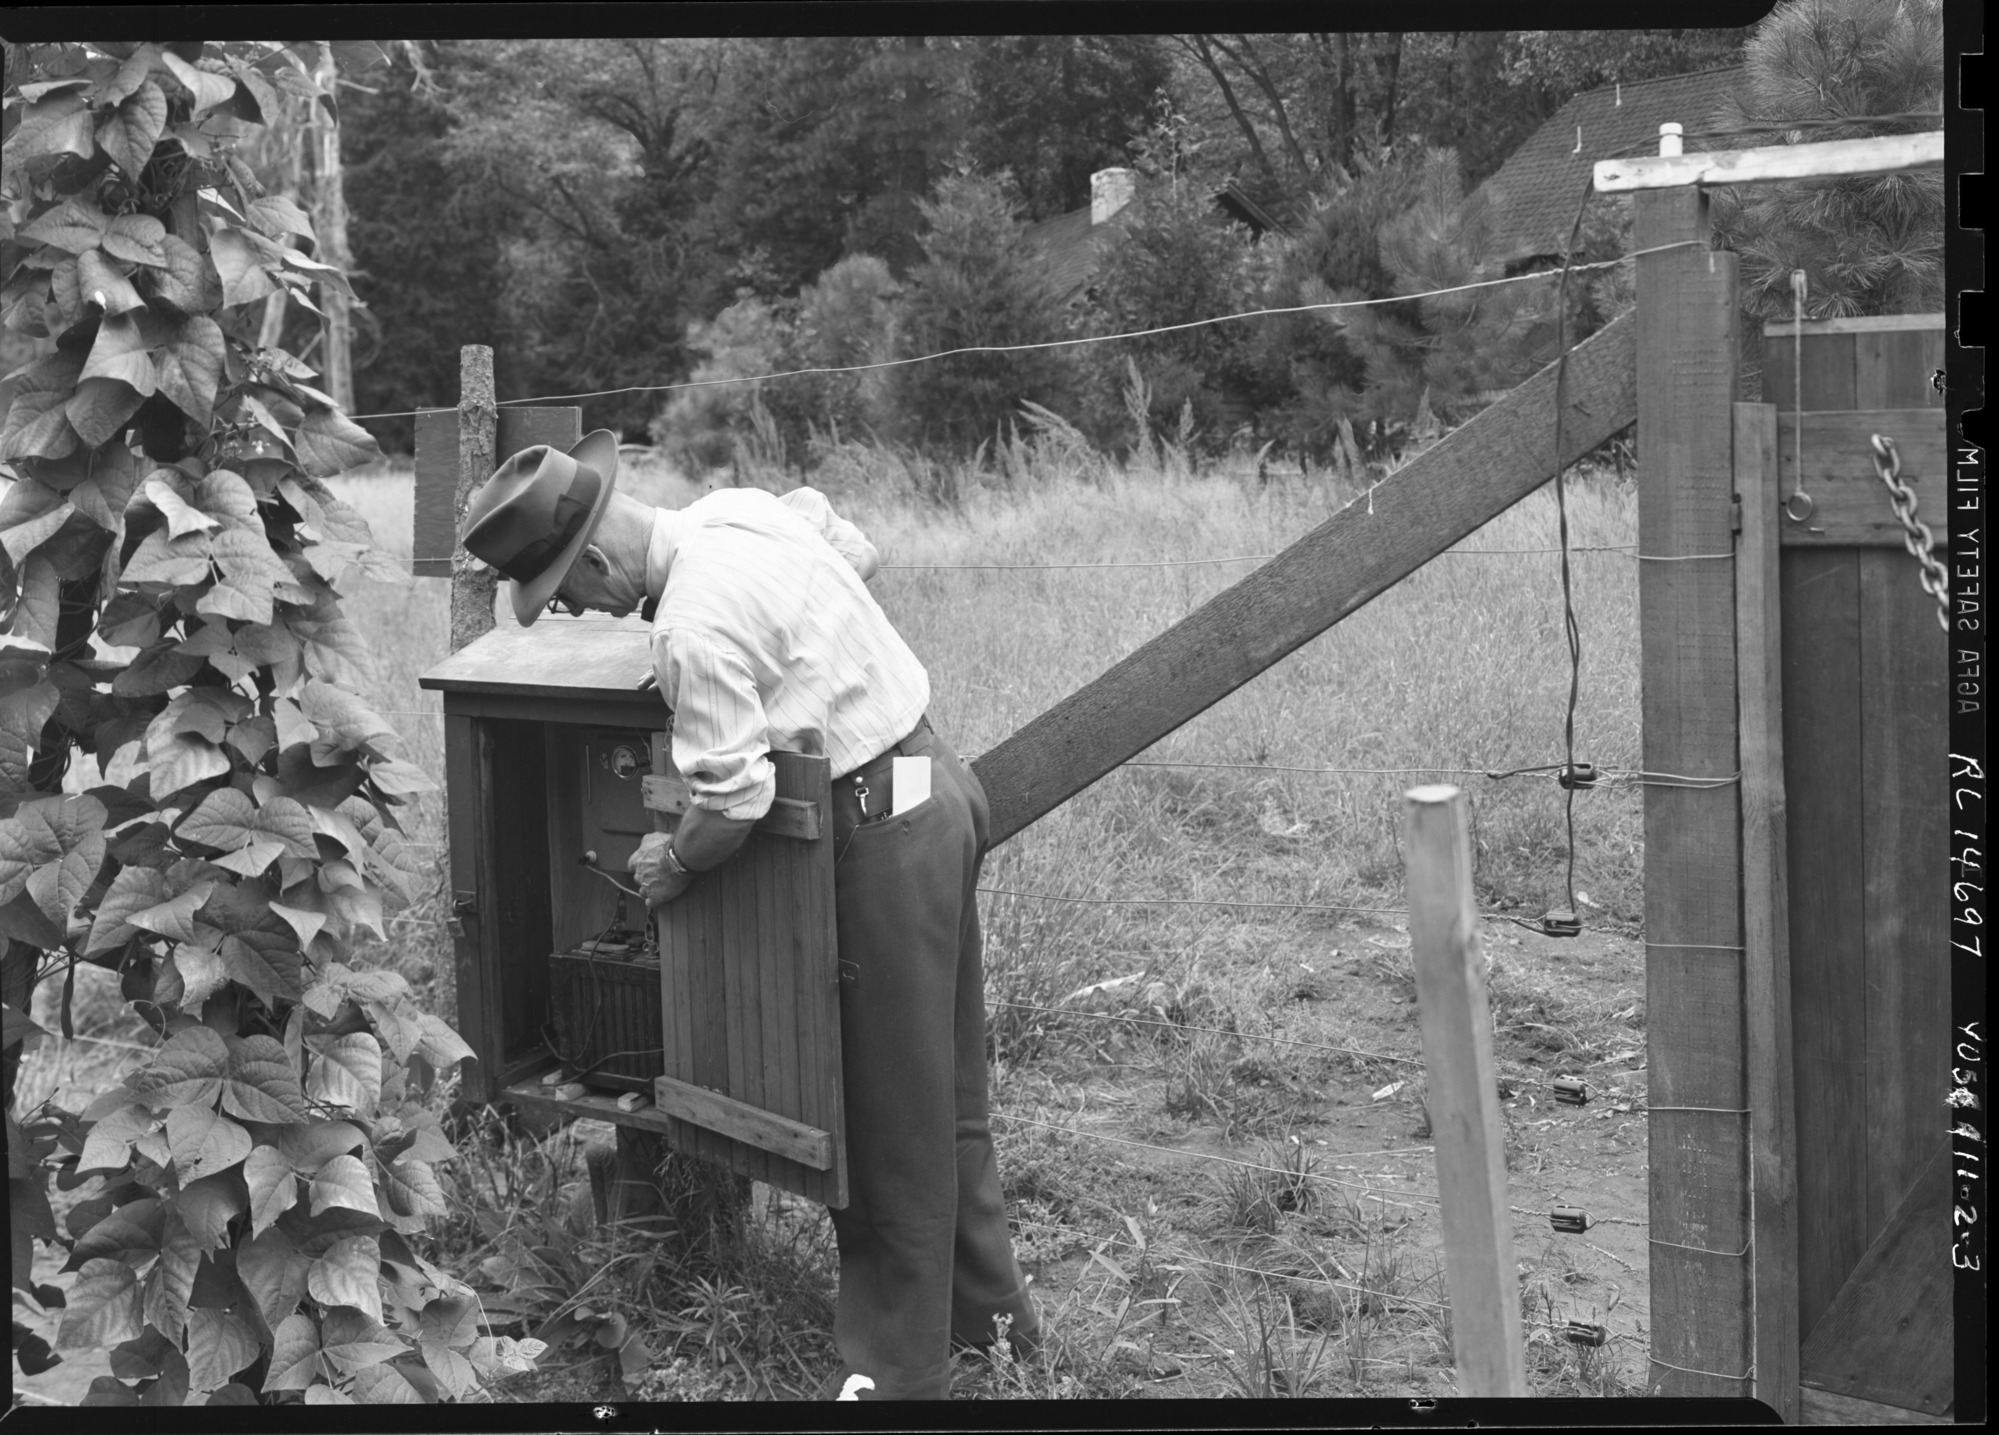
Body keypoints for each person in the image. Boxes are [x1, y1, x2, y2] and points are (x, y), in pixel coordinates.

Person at [459, 431, 1041, 1400]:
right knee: (946, 1100)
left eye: (566, 592)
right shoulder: (741, 511)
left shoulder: (685, 627)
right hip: (938, 784)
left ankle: (894, 1378)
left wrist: (670, 861)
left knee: (878, 1123)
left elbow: (732, 800)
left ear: (599, 560)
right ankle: (989, 1329)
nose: (575, 610)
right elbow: (847, 543)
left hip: (880, 837)